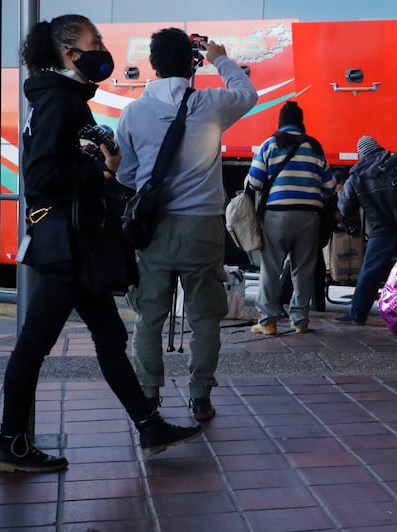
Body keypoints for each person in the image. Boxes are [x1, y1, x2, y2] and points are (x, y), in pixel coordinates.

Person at [0, 14, 201, 473]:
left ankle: (149, 425)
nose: (103, 48)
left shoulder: (64, 98)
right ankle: (12, 445)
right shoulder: (60, 102)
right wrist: (100, 170)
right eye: (96, 41)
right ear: (70, 52)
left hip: (80, 245)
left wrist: (100, 163)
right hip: (68, 246)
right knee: (33, 347)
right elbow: (42, 177)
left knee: (110, 336)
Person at [116, 28, 257, 423]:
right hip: (202, 229)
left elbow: (126, 173)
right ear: (192, 63)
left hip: (154, 229)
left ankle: (148, 396)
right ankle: (200, 397)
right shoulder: (211, 103)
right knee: (205, 316)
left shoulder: (134, 111)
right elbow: (248, 94)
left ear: (154, 65)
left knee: (149, 315)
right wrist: (221, 58)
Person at [246, 101, 336, 334]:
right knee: (303, 270)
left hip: (277, 216)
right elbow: (330, 186)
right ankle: (300, 321)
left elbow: (255, 182)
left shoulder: (270, 144)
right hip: (309, 217)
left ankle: (268, 322)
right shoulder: (315, 147)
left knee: (271, 268)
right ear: (301, 122)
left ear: (280, 122)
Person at [333, 136, 397, 325]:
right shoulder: (395, 163)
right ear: (377, 147)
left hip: (381, 231)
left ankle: (357, 315)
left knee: (369, 273)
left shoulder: (357, 176)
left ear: (361, 154)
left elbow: (344, 205)